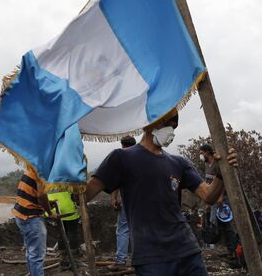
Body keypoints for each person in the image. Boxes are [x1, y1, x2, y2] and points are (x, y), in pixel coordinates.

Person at [85, 109, 238, 276]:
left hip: (187, 250)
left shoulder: (179, 163)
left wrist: (221, 174)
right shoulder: (121, 158)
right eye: (168, 125)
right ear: (150, 123)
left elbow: (209, 196)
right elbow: (85, 194)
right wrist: (71, 173)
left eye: (174, 127)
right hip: (151, 257)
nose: (171, 131)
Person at [12, 167, 58, 276]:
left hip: (22, 215)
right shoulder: (42, 171)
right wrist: (50, 213)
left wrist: (46, 202)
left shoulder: (31, 168)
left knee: (31, 252)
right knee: (37, 256)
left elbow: (34, 193)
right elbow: (41, 195)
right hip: (31, 218)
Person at [199, 144, 238, 256]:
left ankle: (235, 251)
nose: (201, 156)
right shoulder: (208, 167)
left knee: (227, 226)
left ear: (207, 152)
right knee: (218, 226)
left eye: (202, 153)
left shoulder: (217, 164)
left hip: (222, 200)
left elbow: (224, 179)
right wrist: (208, 202)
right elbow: (209, 184)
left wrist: (220, 196)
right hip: (214, 201)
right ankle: (230, 251)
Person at [109, 136, 137, 270]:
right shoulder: (142, 159)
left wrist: (114, 198)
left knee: (123, 230)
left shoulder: (121, 159)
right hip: (143, 200)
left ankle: (121, 261)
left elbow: (115, 181)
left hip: (127, 200)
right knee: (140, 228)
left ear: (122, 145)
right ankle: (141, 259)